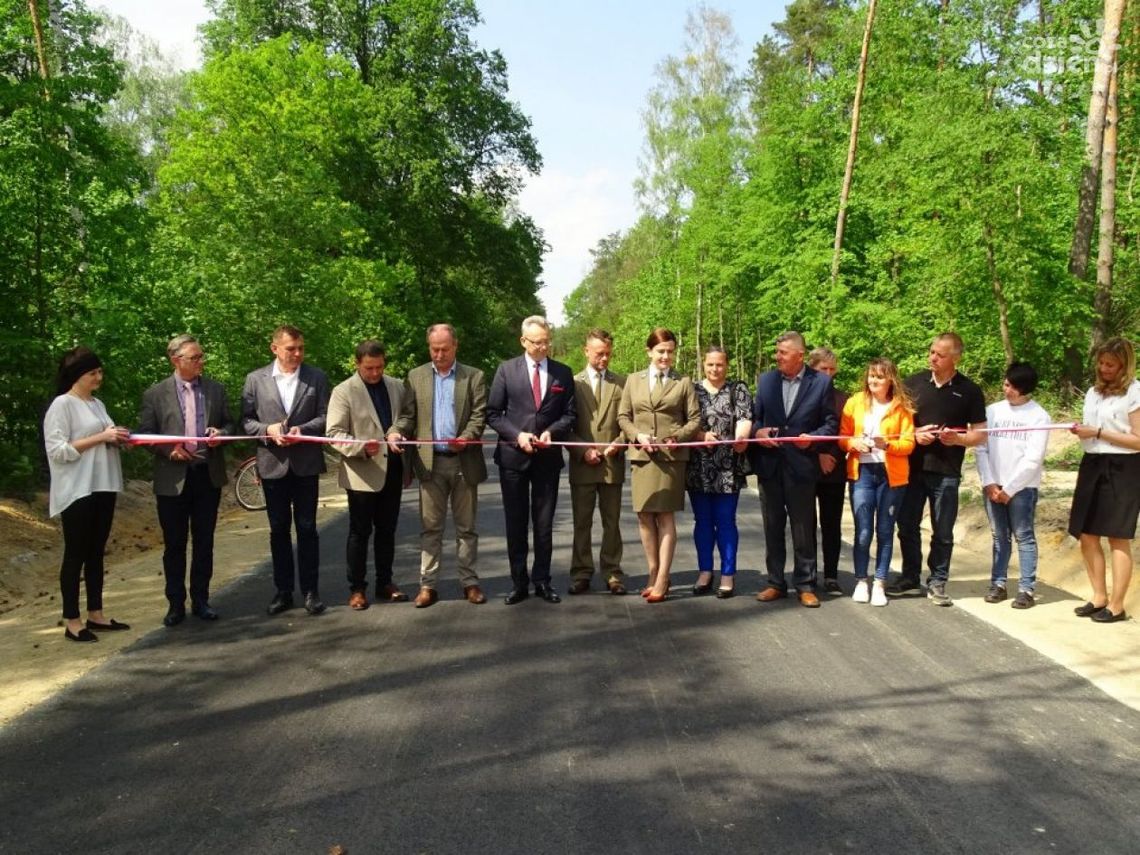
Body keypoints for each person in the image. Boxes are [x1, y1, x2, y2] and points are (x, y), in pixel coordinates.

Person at [390, 324, 489, 608]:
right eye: (434, 349)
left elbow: (479, 416)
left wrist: (467, 438)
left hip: (463, 462)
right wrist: (395, 431)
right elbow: (408, 416)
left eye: (445, 349)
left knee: (466, 528)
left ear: (455, 346)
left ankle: (469, 582)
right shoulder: (416, 376)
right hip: (429, 464)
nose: (439, 354)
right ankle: (428, 585)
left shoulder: (474, 376)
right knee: (430, 529)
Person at [137, 335, 234, 626]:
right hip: (173, 480)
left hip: (207, 474)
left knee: (204, 542)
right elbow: (146, 433)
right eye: (195, 357)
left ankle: (201, 600)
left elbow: (231, 423)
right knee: (175, 544)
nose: (201, 362)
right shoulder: (155, 394)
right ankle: (175, 604)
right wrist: (169, 450)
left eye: (201, 356)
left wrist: (221, 434)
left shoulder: (215, 389)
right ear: (176, 360)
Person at [43, 347, 131, 642]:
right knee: (76, 553)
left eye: (100, 372)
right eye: (93, 373)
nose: (98, 377)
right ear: (77, 375)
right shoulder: (62, 405)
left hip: (103, 483)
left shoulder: (97, 404)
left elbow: (104, 437)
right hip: (78, 488)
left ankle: (96, 612)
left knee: (96, 551)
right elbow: (58, 451)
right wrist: (101, 437)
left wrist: (117, 438)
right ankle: (72, 619)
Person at [891, 332, 987, 606]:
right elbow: (896, 425)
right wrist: (916, 432)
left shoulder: (969, 390)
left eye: (940, 355)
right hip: (912, 467)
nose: (933, 358)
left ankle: (938, 580)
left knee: (942, 530)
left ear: (956, 358)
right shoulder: (912, 383)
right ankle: (910, 576)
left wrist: (958, 439)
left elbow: (981, 434)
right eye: (932, 352)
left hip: (946, 470)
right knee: (906, 524)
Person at [241, 325, 331, 616]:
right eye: (291, 348)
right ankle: (283, 591)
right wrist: (268, 430)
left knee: (307, 529)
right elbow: (246, 421)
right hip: (272, 464)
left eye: (301, 348)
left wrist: (301, 430)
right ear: (275, 349)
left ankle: (310, 591)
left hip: (305, 464)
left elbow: (326, 416)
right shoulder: (255, 380)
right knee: (278, 529)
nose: (297, 354)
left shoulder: (316, 377)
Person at [487, 316, 577, 605]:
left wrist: (552, 431)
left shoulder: (563, 373)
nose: (542, 347)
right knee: (516, 523)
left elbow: (570, 414)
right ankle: (519, 582)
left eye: (546, 342)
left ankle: (542, 581)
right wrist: (517, 435)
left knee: (544, 524)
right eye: (536, 342)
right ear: (523, 341)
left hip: (547, 459)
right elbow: (493, 413)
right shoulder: (506, 370)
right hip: (513, 458)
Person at [751, 331, 839, 608]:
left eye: (783, 353)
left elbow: (830, 424)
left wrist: (814, 437)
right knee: (773, 527)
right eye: (776, 352)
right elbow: (754, 418)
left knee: (803, 528)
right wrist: (758, 432)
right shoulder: (766, 381)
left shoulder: (821, 383)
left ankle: (806, 584)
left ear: (800, 355)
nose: (778, 357)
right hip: (771, 467)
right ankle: (775, 582)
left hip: (802, 467)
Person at [617, 328, 700, 603]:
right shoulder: (633, 380)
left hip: (670, 459)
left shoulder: (683, 382)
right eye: (661, 351)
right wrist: (636, 435)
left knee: (665, 516)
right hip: (642, 457)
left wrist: (678, 437)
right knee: (644, 515)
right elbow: (623, 416)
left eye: (670, 351)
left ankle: (663, 577)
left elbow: (695, 419)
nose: (666, 356)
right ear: (649, 351)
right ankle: (653, 570)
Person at [327, 340, 408, 611]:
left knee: (387, 530)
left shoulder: (397, 386)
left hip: (393, 469)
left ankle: (385, 582)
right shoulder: (343, 391)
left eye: (380, 367)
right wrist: (361, 447)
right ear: (357, 364)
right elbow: (334, 434)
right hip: (361, 472)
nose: (375, 373)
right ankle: (357, 589)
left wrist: (397, 431)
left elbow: (406, 418)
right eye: (369, 368)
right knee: (360, 532)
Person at [1068, 337, 1140, 623]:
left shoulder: (1135, 392)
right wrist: (1082, 431)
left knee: (1118, 537)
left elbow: (1137, 440)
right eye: (1101, 363)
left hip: (1124, 467)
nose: (1104, 368)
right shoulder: (1092, 392)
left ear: (1124, 365)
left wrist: (1097, 432)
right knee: (1086, 532)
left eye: (1111, 364)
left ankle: (1117, 605)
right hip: (1092, 463)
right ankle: (1098, 595)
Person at [838, 358, 915, 607]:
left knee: (885, 530)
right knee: (862, 531)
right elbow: (842, 436)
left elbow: (909, 444)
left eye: (879, 377)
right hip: (862, 473)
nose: (874, 381)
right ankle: (862, 580)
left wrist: (888, 444)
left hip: (891, 475)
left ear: (890, 379)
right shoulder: (854, 402)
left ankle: (880, 582)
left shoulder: (902, 407)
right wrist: (852, 444)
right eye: (871, 376)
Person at [975, 362, 1050, 610]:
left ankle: (1026, 588)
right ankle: (998, 583)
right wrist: (989, 482)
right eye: (1006, 384)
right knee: (999, 536)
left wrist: (1010, 488)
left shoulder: (1039, 416)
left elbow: (1033, 459)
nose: (1007, 390)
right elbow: (981, 447)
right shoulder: (992, 411)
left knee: (1024, 536)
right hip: (993, 486)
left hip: (1021, 489)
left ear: (1025, 390)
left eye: (1013, 387)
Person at [686, 346, 751, 599]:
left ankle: (727, 574)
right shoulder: (691, 389)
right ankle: (705, 571)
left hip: (728, 468)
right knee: (702, 522)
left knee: (725, 521)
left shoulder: (738, 389)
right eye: (710, 364)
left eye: (720, 365)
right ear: (703, 364)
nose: (715, 369)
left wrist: (741, 436)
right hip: (698, 467)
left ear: (727, 365)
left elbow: (745, 418)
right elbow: (682, 423)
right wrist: (701, 435)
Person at [567, 329, 627, 595]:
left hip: (612, 464)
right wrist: (582, 451)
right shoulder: (572, 383)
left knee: (612, 522)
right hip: (583, 465)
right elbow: (565, 425)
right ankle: (581, 572)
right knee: (582, 522)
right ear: (586, 351)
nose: (604, 359)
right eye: (599, 353)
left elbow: (630, 421)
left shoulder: (621, 383)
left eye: (608, 354)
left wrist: (621, 441)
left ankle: (612, 572)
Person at [808, 347, 849, 594]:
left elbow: (846, 431)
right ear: (812, 368)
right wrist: (818, 454)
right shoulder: (802, 395)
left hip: (835, 469)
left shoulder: (843, 399)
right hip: (806, 466)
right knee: (806, 524)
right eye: (824, 368)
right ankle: (809, 574)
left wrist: (831, 455)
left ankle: (831, 574)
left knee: (831, 523)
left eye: (832, 369)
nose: (828, 373)